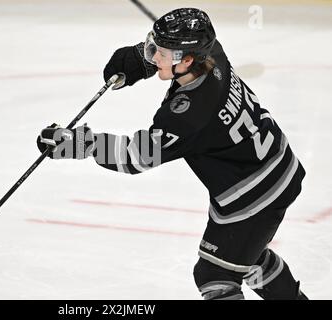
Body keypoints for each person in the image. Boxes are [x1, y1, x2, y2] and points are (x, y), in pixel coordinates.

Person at [36, 8, 308, 300]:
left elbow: (136, 157)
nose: (154, 57)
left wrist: (82, 144)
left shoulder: (189, 114)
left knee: (216, 276)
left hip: (254, 193)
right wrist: (141, 58)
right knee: (245, 258)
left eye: (160, 53)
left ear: (186, 60)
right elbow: (173, 54)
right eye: (153, 48)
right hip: (277, 165)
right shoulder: (211, 51)